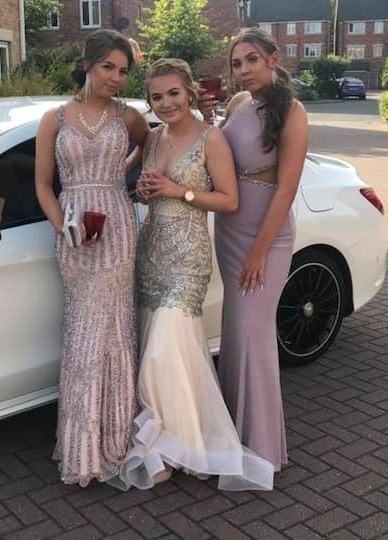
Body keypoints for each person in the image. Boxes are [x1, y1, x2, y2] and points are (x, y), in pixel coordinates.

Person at [109, 58, 274, 491]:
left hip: (188, 257)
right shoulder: (154, 139)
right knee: (169, 354)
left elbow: (230, 200)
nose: (166, 103)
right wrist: (146, 190)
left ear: (190, 93)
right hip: (152, 252)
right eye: (156, 97)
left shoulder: (211, 138)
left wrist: (176, 189)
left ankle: (173, 444)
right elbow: (145, 189)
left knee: (163, 351)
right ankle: (176, 440)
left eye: (173, 94)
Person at [34, 29, 150, 486]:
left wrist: (121, 175)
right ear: (88, 64)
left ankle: (113, 444)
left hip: (117, 228)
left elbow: (151, 146)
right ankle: (82, 449)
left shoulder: (130, 116)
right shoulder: (54, 118)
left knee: (114, 332)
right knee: (83, 335)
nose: (116, 78)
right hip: (73, 233)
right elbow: (44, 184)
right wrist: (62, 225)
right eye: (108, 67)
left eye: (123, 71)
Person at [198, 28, 309, 471]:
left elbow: (285, 191)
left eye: (251, 61)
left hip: (267, 234)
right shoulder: (238, 104)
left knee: (254, 335)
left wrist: (259, 252)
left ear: (273, 59)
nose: (243, 70)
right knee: (234, 331)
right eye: (237, 63)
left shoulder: (294, 113)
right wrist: (208, 121)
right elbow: (218, 156)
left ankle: (261, 448)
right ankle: (233, 432)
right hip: (229, 228)